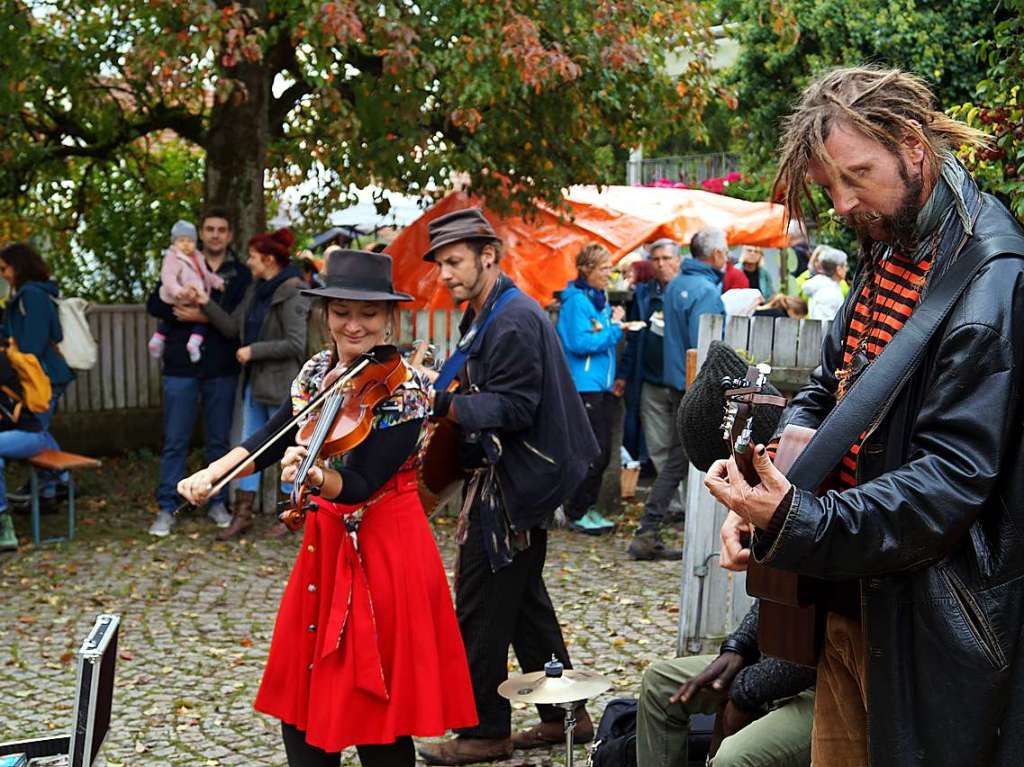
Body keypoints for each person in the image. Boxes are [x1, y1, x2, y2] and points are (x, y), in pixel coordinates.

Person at [707, 66, 1024, 766]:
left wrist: (798, 520)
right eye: (829, 187)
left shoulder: (990, 276)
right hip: (854, 601)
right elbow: (830, 388)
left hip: (933, 622)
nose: (845, 203)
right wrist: (771, 486)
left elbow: (948, 483)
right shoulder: (892, 237)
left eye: (857, 175)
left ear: (912, 145)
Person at [176, 249, 476, 766]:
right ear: (325, 313)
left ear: (389, 318)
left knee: (379, 713)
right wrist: (214, 472)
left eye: (367, 314)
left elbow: (361, 483)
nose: (353, 325)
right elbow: (275, 435)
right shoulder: (317, 372)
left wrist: (315, 475)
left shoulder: (405, 387)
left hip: (388, 547)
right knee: (304, 708)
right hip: (328, 543)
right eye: (341, 312)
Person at [415, 208, 599, 766]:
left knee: (479, 607)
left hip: (517, 487)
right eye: (441, 264)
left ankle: (484, 730)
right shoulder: (491, 311)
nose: (445, 274)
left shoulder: (512, 319)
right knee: (523, 605)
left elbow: (517, 408)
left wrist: (441, 402)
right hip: (519, 480)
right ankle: (566, 716)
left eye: (454, 262)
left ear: (487, 256)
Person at [197, 227, 309, 540]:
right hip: (256, 385)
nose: (249, 262)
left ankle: (290, 517)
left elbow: (296, 344)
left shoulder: (293, 290)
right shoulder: (257, 290)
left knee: (289, 449)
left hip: (284, 387)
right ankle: (242, 515)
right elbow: (232, 326)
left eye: (254, 257)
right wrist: (203, 300)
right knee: (247, 448)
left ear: (269, 260)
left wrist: (253, 351)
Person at [147, 208, 252, 537]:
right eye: (210, 229)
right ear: (200, 234)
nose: (216, 235)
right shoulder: (182, 258)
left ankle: (216, 501)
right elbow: (156, 303)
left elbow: (236, 321)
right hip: (181, 365)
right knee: (175, 440)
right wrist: (187, 313)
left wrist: (202, 317)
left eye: (222, 229)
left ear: (230, 235)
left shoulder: (240, 274)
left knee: (218, 441)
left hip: (222, 366)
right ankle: (167, 507)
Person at [627, 229, 726, 561]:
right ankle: (648, 530)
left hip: (674, 383)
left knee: (676, 459)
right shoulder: (705, 290)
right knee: (679, 460)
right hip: (693, 387)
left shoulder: (677, 286)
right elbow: (705, 345)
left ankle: (651, 530)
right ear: (716, 255)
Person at [637, 603, 815, 767]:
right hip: (766, 665)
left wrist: (745, 690)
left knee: (732, 759)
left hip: (824, 688)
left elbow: (817, 651)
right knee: (659, 684)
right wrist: (737, 646)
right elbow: (771, 596)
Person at [615, 239, 684, 545]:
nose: (660, 264)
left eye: (666, 258)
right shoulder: (644, 294)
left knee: (683, 448)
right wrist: (625, 375)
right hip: (651, 381)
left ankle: (683, 505)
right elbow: (634, 338)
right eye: (655, 259)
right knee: (657, 445)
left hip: (682, 383)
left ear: (678, 261)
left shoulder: (686, 293)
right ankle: (674, 505)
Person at [0, 243, 75, 514]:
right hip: (42, 375)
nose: (3, 274)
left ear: (18, 267)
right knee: (36, 428)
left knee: (34, 430)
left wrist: (10, 349)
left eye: (5, 269)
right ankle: (53, 487)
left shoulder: (30, 295)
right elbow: (55, 333)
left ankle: (55, 484)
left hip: (43, 377)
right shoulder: (34, 294)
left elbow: (32, 342)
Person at [556, 243, 624, 534]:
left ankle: (586, 507)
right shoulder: (576, 302)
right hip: (583, 386)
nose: (609, 274)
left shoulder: (597, 300)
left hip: (600, 386)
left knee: (603, 451)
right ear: (588, 270)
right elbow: (579, 343)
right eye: (604, 268)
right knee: (594, 452)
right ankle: (575, 511)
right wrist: (616, 328)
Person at [148, 220, 224, 363]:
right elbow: (168, 278)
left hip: (194, 296)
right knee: (173, 318)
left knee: (201, 319)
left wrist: (217, 282)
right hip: (179, 295)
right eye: (181, 240)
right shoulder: (173, 257)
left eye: (190, 241)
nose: (186, 244)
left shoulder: (198, 257)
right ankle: (158, 339)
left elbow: (206, 275)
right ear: (174, 242)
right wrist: (177, 291)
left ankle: (192, 343)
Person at [802, 246, 848, 321]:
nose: (847, 269)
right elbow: (826, 324)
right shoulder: (829, 292)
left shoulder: (827, 287)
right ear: (838, 269)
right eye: (845, 266)